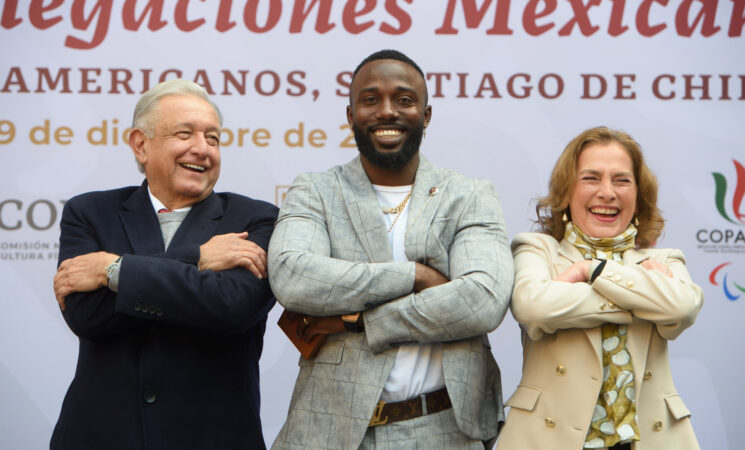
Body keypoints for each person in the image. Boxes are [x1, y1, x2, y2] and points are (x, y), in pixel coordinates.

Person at [268, 49, 513, 450]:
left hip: (446, 429)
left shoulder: (468, 195)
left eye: (404, 99)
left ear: (426, 116)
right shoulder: (316, 190)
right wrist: (415, 276)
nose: (387, 111)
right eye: (370, 100)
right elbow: (293, 277)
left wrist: (360, 321)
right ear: (350, 116)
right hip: (331, 432)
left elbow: (482, 301)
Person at [51, 79, 277, 450]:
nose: (202, 149)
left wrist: (113, 271)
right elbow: (87, 314)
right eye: (184, 134)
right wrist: (198, 259)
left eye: (214, 138)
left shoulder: (256, 219)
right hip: (102, 437)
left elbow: (230, 307)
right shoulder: (89, 212)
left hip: (213, 438)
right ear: (141, 144)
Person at [496, 127, 703, 450]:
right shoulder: (537, 249)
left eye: (622, 180)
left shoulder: (663, 258)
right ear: (565, 192)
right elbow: (534, 307)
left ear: (638, 195)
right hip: (548, 439)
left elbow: (683, 307)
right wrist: (641, 296)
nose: (607, 192)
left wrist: (592, 270)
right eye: (591, 178)